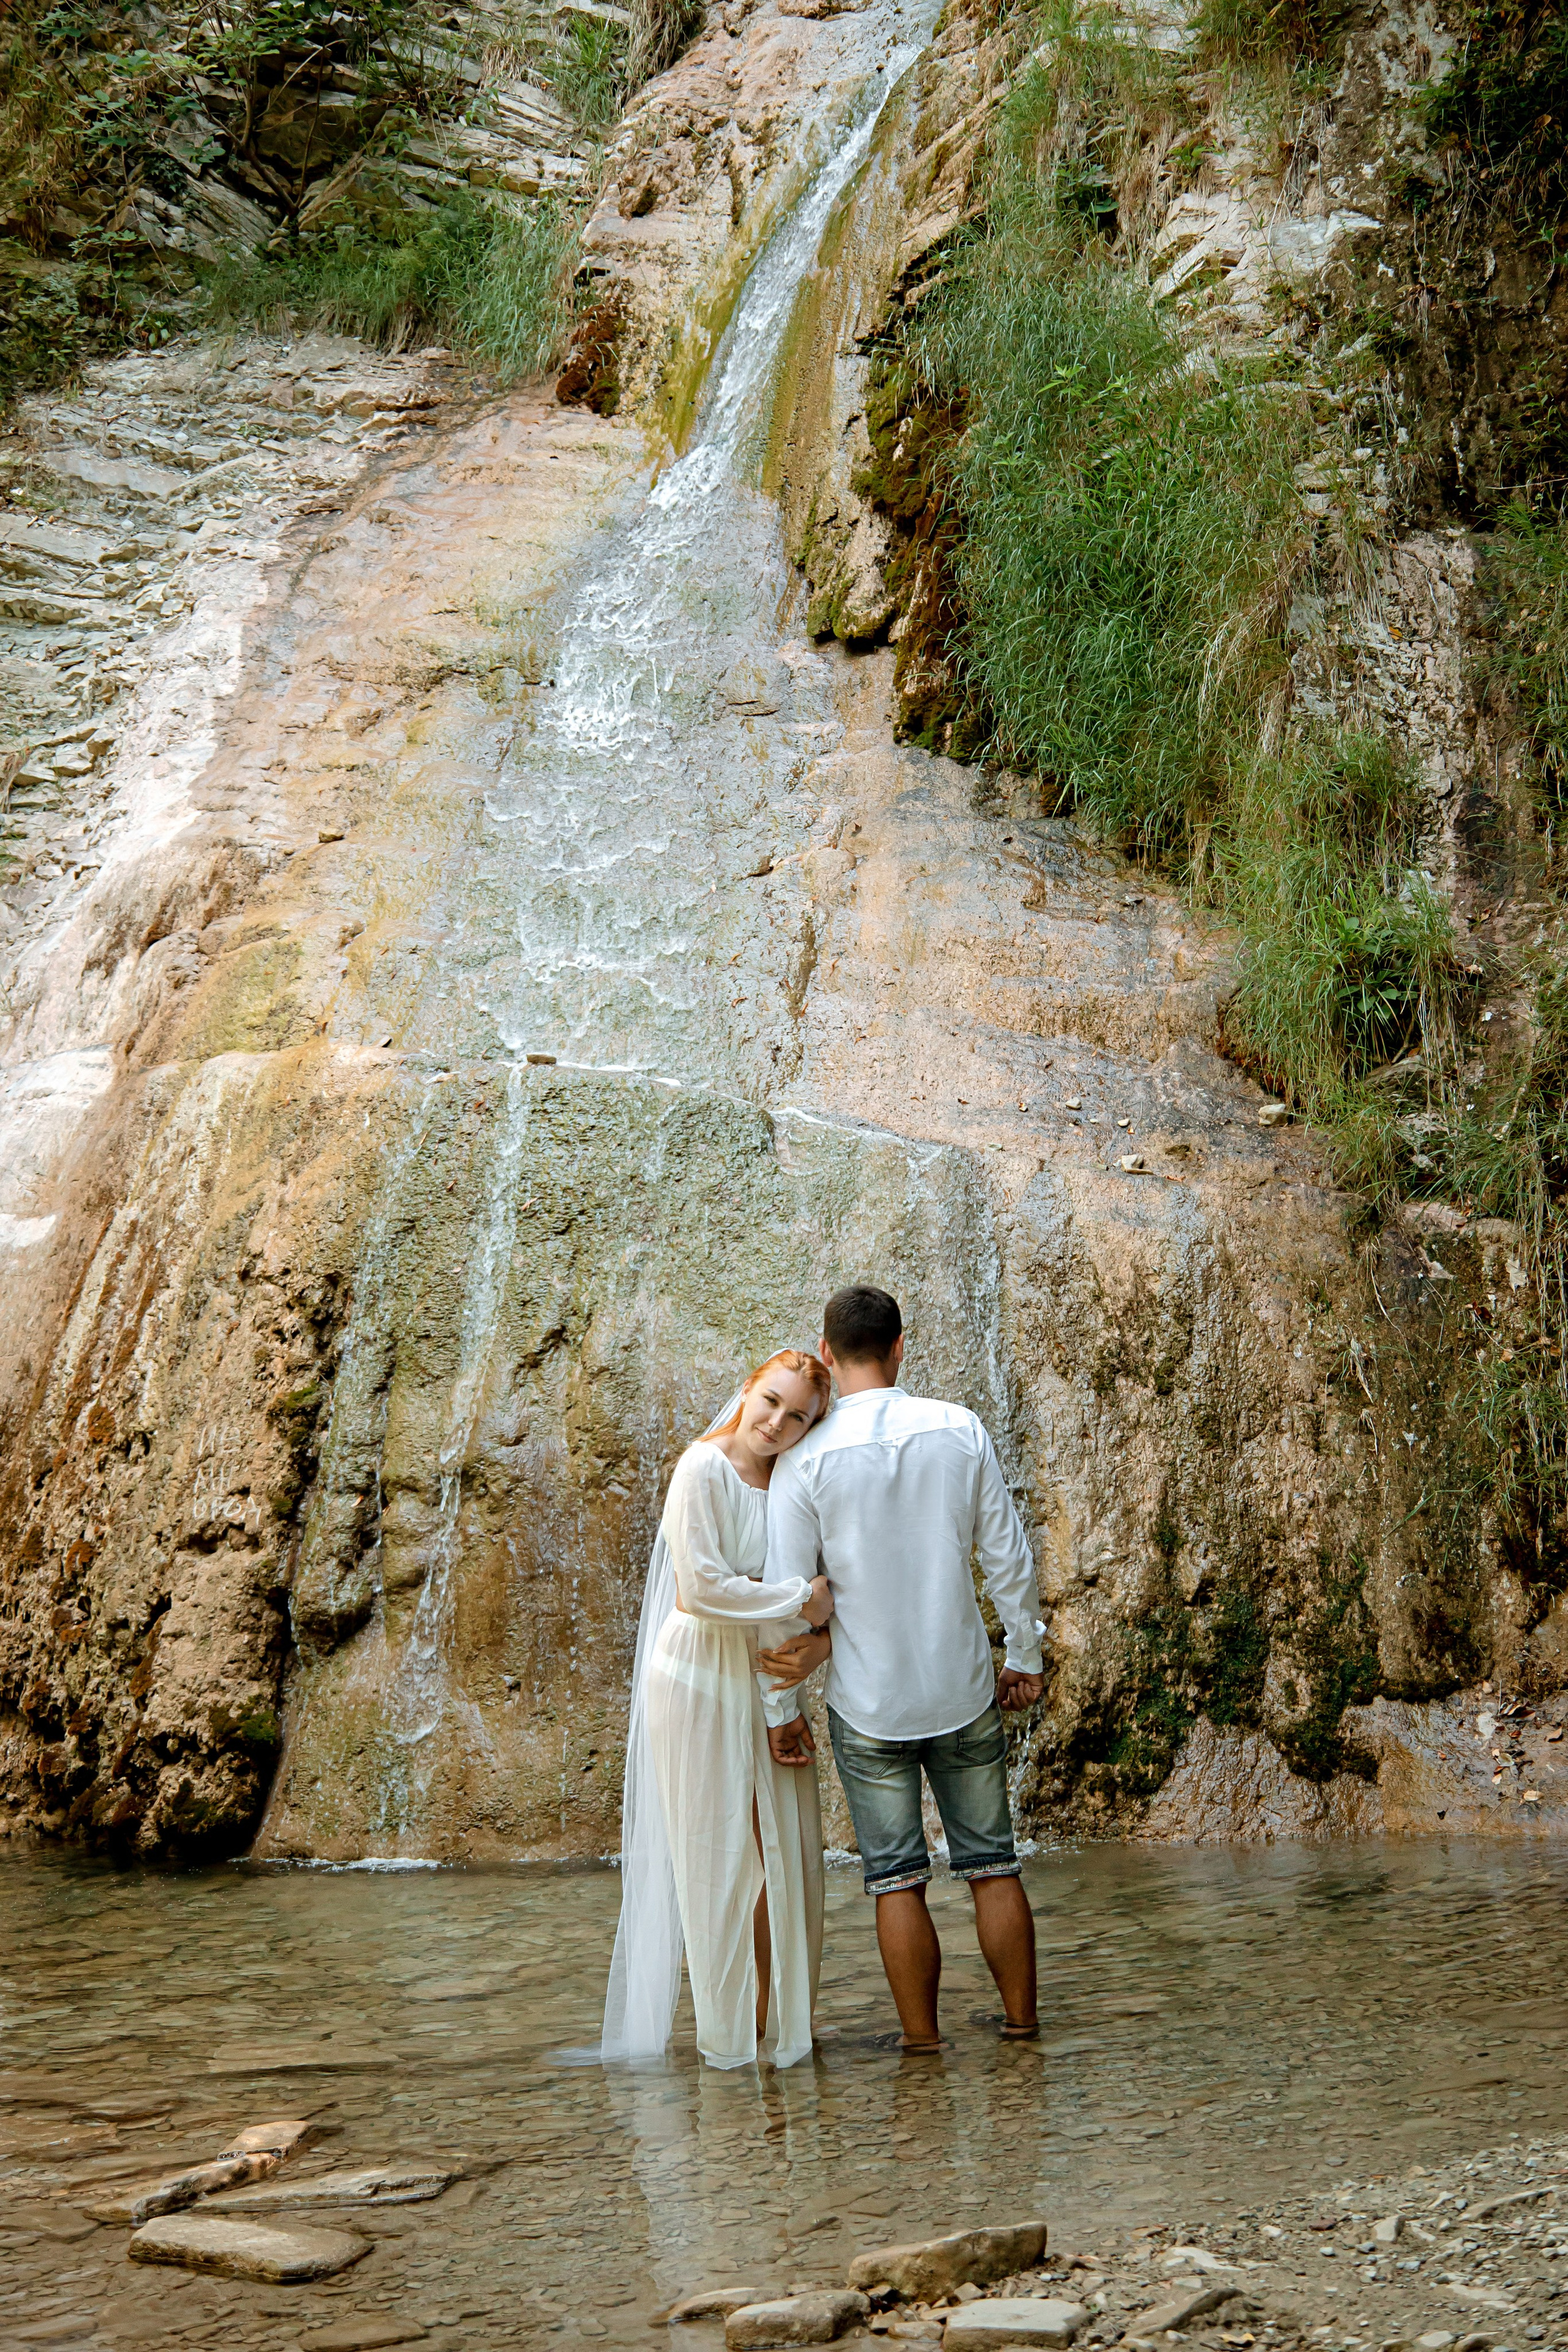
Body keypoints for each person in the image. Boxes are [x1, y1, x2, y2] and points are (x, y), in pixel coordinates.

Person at [765, 1285, 1046, 2052]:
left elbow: (788, 1601)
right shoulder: (959, 1429)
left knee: (896, 1879)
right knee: (992, 1864)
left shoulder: (804, 1459)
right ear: (899, 1347)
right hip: (959, 1687)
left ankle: (922, 2044)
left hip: (868, 1702)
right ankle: (1021, 2026)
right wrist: (1024, 1655)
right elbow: (1007, 1558)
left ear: (826, 1353)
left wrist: (776, 1710)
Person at [601, 1350, 835, 2071]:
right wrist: (803, 1600)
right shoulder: (700, 1468)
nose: (776, 1423)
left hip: (766, 1679)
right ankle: (726, 2042)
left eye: (798, 1415)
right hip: (696, 1677)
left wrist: (797, 1676)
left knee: (785, 1856)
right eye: (770, 1401)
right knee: (718, 1861)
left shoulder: (795, 1478)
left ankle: (772, 2025)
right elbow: (698, 1590)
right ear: (746, 1389)